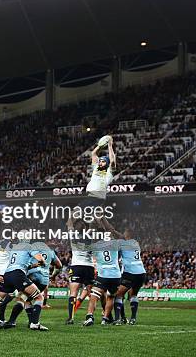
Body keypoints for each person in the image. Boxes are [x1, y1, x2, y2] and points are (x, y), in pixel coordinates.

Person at [66, 136, 116, 324]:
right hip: (92, 197)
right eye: (101, 161)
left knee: (78, 217)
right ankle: (106, 316)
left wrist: (110, 145)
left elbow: (112, 159)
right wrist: (99, 146)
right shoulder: (95, 168)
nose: (102, 161)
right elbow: (93, 154)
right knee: (83, 219)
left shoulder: (108, 172)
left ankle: (100, 315)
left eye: (104, 161)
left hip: (96, 197)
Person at [0, 240, 48, 331]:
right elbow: (40, 259)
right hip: (18, 274)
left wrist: (33, 265)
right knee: (39, 297)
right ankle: (35, 323)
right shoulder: (29, 246)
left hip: (7, 274)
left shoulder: (14, 249)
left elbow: (19, 264)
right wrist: (43, 263)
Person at [1, 242, 61, 329]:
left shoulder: (32, 249)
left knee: (21, 298)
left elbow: (27, 264)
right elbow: (59, 265)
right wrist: (53, 275)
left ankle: (13, 321)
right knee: (28, 299)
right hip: (44, 280)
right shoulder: (50, 251)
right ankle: (32, 322)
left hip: (32, 276)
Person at [114, 229, 146, 325]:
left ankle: (118, 319)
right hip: (141, 273)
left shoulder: (124, 243)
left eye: (125, 232)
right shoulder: (136, 243)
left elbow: (115, 233)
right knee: (133, 295)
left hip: (130, 272)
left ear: (127, 235)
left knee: (118, 295)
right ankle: (132, 318)